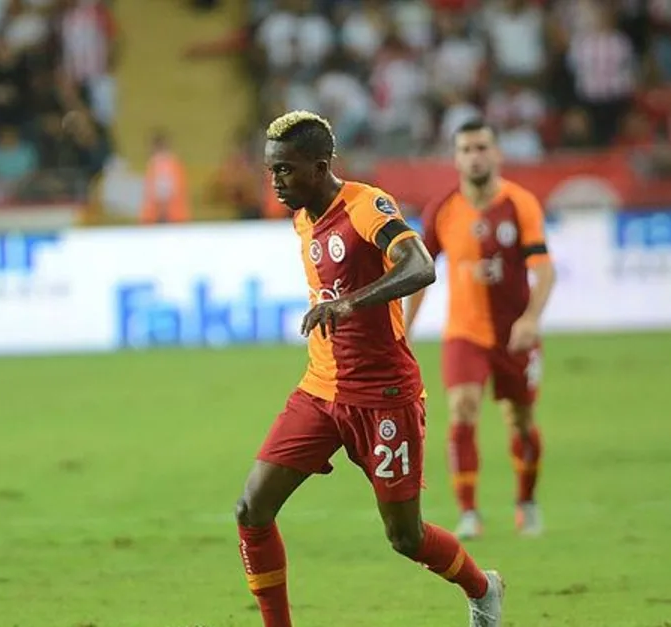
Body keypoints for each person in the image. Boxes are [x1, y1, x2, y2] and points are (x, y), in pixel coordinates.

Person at [236, 110, 505, 627]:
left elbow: (420, 265)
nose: (275, 182)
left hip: (384, 396)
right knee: (252, 509)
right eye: (271, 170)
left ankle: (482, 587)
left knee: (405, 537)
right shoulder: (302, 218)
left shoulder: (365, 206)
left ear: (319, 167)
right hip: (320, 392)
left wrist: (349, 303)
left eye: (285, 170)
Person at [403, 119, 557, 540]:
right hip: (464, 333)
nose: (474, 157)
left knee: (520, 419)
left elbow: (544, 271)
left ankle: (526, 502)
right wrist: (404, 330)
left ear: (497, 153)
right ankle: (469, 512)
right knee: (462, 408)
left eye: (481, 148)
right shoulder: (442, 209)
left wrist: (531, 319)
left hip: (514, 334)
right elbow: (419, 274)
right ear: (455, 158)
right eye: (466, 149)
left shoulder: (520, 204)